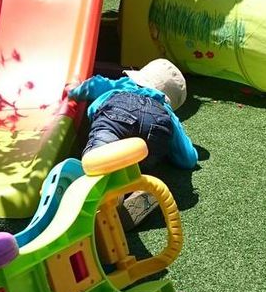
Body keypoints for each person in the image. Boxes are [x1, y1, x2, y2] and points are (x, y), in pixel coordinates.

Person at [68, 58, 197, 229]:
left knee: (98, 156)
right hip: (156, 125)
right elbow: (187, 158)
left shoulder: (124, 84)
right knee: (141, 164)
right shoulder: (166, 110)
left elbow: (94, 85)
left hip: (117, 112)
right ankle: (133, 188)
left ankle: (102, 189)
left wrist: (74, 90)